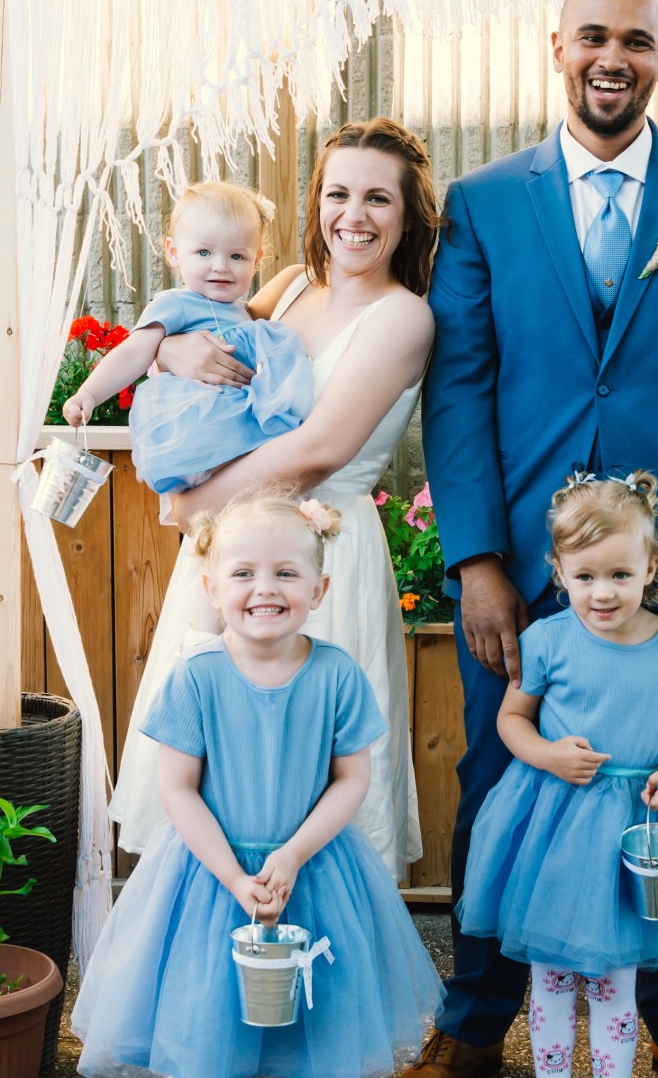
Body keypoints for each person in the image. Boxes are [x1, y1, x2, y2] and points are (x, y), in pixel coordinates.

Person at [395, 0, 658, 1078]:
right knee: (496, 783)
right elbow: (460, 386)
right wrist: (473, 558)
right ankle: (474, 1021)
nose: (610, 56)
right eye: (590, 37)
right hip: (524, 569)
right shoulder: (483, 202)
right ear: (553, 48)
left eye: (635, 39)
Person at [72, 489, 442, 1078]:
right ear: (211, 588)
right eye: (242, 571)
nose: (264, 587)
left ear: (320, 589)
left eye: (286, 571)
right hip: (214, 883)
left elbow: (351, 783)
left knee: (294, 1050)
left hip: (308, 877)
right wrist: (237, 875)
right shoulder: (197, 679)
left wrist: (295, 854)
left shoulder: (336, 676)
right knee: (221, 1045)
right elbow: (178, 792)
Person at [109, 119, 440, 881]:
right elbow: (211, 330)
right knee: (214, 746)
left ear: (409, 215)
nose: (352, 216)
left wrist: (197, 509)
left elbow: (319, 449)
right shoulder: (290, 284)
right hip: (240, 545)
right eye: (338, 194)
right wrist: (169, 347)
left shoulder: (403, 316)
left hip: (321, 550)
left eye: (377, 199)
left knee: (302, 760)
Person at [457, 474, 658, 1078]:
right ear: (558, 573)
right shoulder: (547, 640)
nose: (603, 593)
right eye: (584, 576)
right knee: (552, 976)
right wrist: (549, 753)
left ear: (652, 568)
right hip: (553, 828)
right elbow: (510, 720)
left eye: (619, 574)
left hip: (633, 830)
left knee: (616, 977)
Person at [62, 182, 314, 494]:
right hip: (199, 419)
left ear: (257, 260)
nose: (220, 266)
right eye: (204, 252)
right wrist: (89, 395)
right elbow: (134, 352)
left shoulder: (247, 314)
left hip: (239, 422)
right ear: (173, 253)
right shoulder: (176, 303)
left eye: (237, 255)